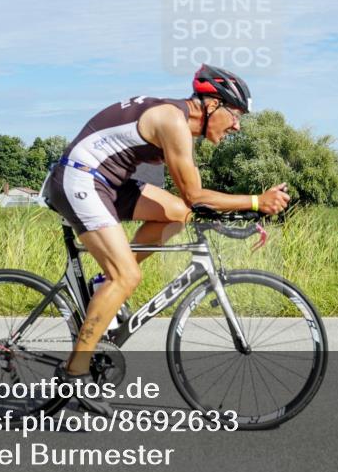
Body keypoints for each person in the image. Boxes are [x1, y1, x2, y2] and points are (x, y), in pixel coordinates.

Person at [40, 64, 291, 414]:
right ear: (211, 105)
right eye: (235, 115)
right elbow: (196, 194)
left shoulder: (179, 123)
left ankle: (103, 286)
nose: (238, 125)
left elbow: (188, 205)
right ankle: (75, 371)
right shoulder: (172, 121)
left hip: (109, 183)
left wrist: (243, 216)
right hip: (80, 179)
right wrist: (254, 202)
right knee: (126, 276)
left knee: (176, 213)